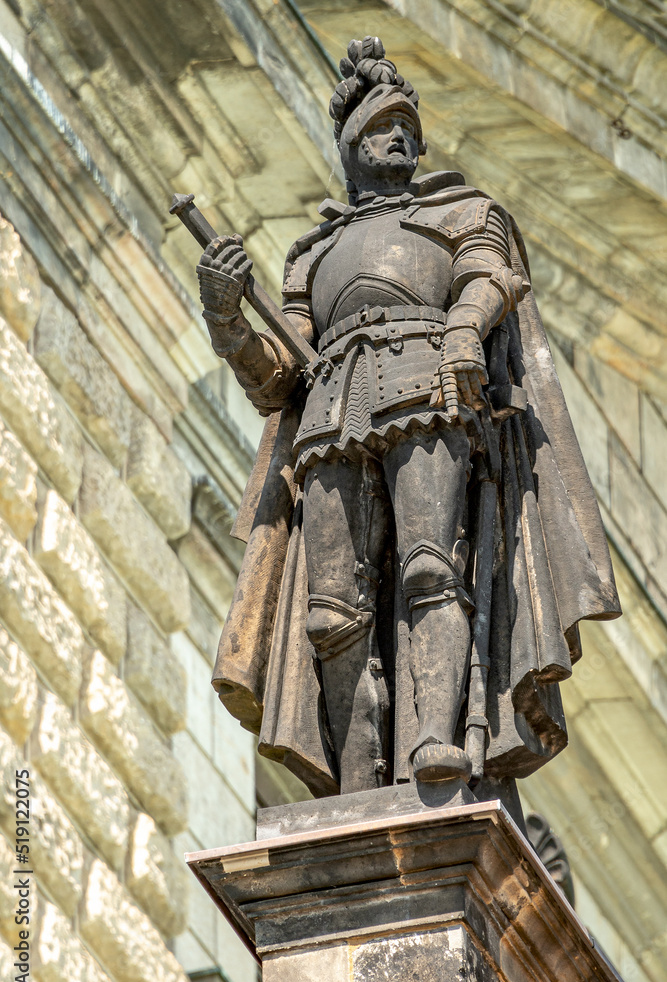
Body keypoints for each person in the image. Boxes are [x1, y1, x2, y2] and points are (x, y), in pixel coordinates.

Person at [199, 37, 620, 799]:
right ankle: (357, 785)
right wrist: (226, 319)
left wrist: (463, 329)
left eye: (406, 126)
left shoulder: (461, 211)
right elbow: (279, 375)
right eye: (380, 125)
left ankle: (434, 738)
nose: (397, 136)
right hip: (329, 417)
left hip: (430, 393)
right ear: (350, 143)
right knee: (330, 614)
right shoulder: (310, 254)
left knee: (431, 569)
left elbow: (490, 276)